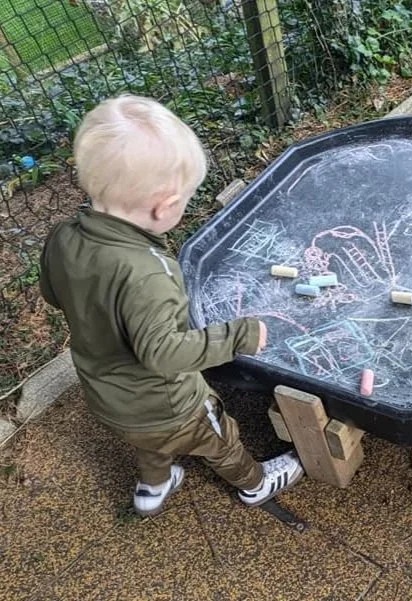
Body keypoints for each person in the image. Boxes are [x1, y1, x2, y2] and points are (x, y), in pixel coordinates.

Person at [39, 94, 303, 516]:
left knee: (149, 442)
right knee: (219, 439)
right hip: (169, 404)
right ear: (164, 207)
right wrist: (238, 335)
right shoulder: (149, 273)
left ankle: (153, 487)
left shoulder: (63, 236)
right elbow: (163, 353)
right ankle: (255, 485)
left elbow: (53, 294)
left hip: (108, 398)